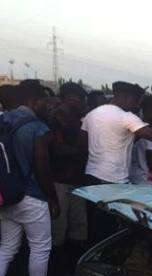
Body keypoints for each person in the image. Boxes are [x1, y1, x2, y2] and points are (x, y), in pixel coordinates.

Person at [80, 81, 152, 241]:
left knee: (97, 224)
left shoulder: (92, 114)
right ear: (126, 97)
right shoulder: (125, 117)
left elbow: (83, 143)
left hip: (91, 176)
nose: (136, 105)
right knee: (115, 229)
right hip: (113, 181)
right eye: (135, 101)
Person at [0, 80, 59, 276]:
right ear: (33, 101)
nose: (46, 105)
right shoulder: (37, 126)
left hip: (5, 193)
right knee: (40, 248)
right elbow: (42, 166)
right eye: (44, 101)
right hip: (32, 195)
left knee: (6, 248)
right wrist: (52, 197)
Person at [49, 83, 89, 262]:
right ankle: (57, 264)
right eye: (78, 98)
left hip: (76, 177)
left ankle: (73, 262)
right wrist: (84, 150)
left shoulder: (77, 118)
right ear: (69, 98)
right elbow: (57, 148)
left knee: (78, 221)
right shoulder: (56, 118)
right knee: (59, 222)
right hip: (60, 177)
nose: (80, 102)